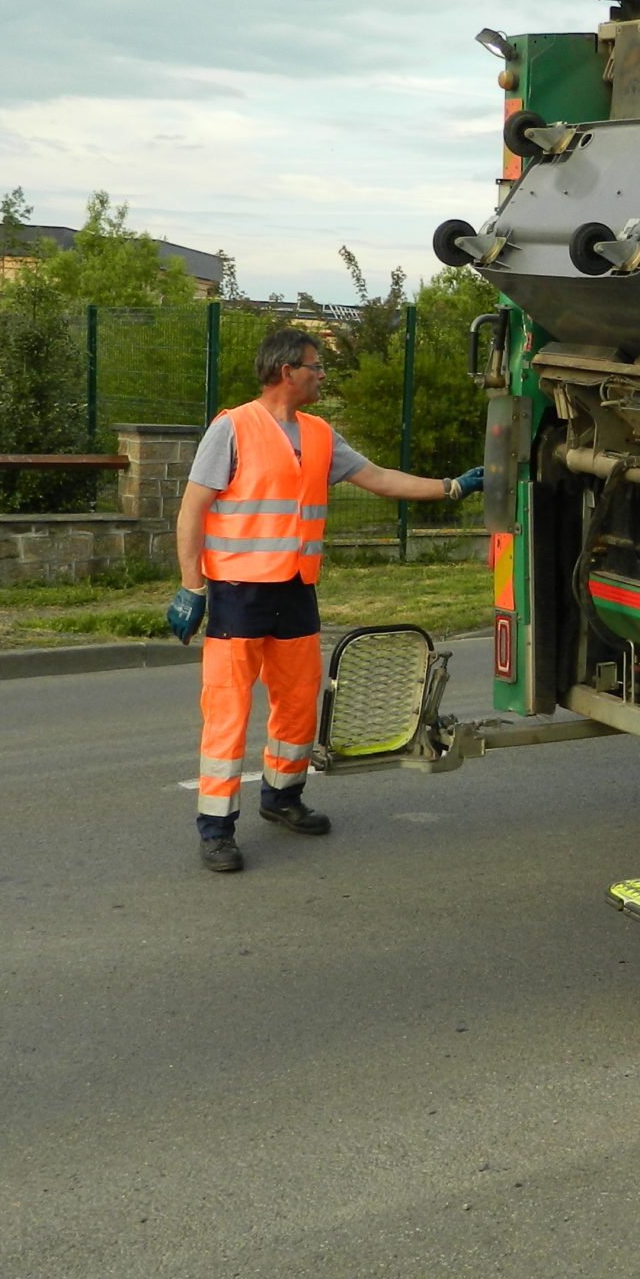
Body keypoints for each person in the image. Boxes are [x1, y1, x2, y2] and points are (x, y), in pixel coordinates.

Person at [167, 328, 481, 873]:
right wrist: (192, 586)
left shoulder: (318, 434)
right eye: (316, 367)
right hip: (238, 593)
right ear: (287, 371)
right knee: (228, 712)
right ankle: (216, 830)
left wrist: (450, 487)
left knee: (297, 701)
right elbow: (192, 509)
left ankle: (282, 797)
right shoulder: (232, 428)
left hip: (295, 588)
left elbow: (378, 478)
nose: (321, 375)